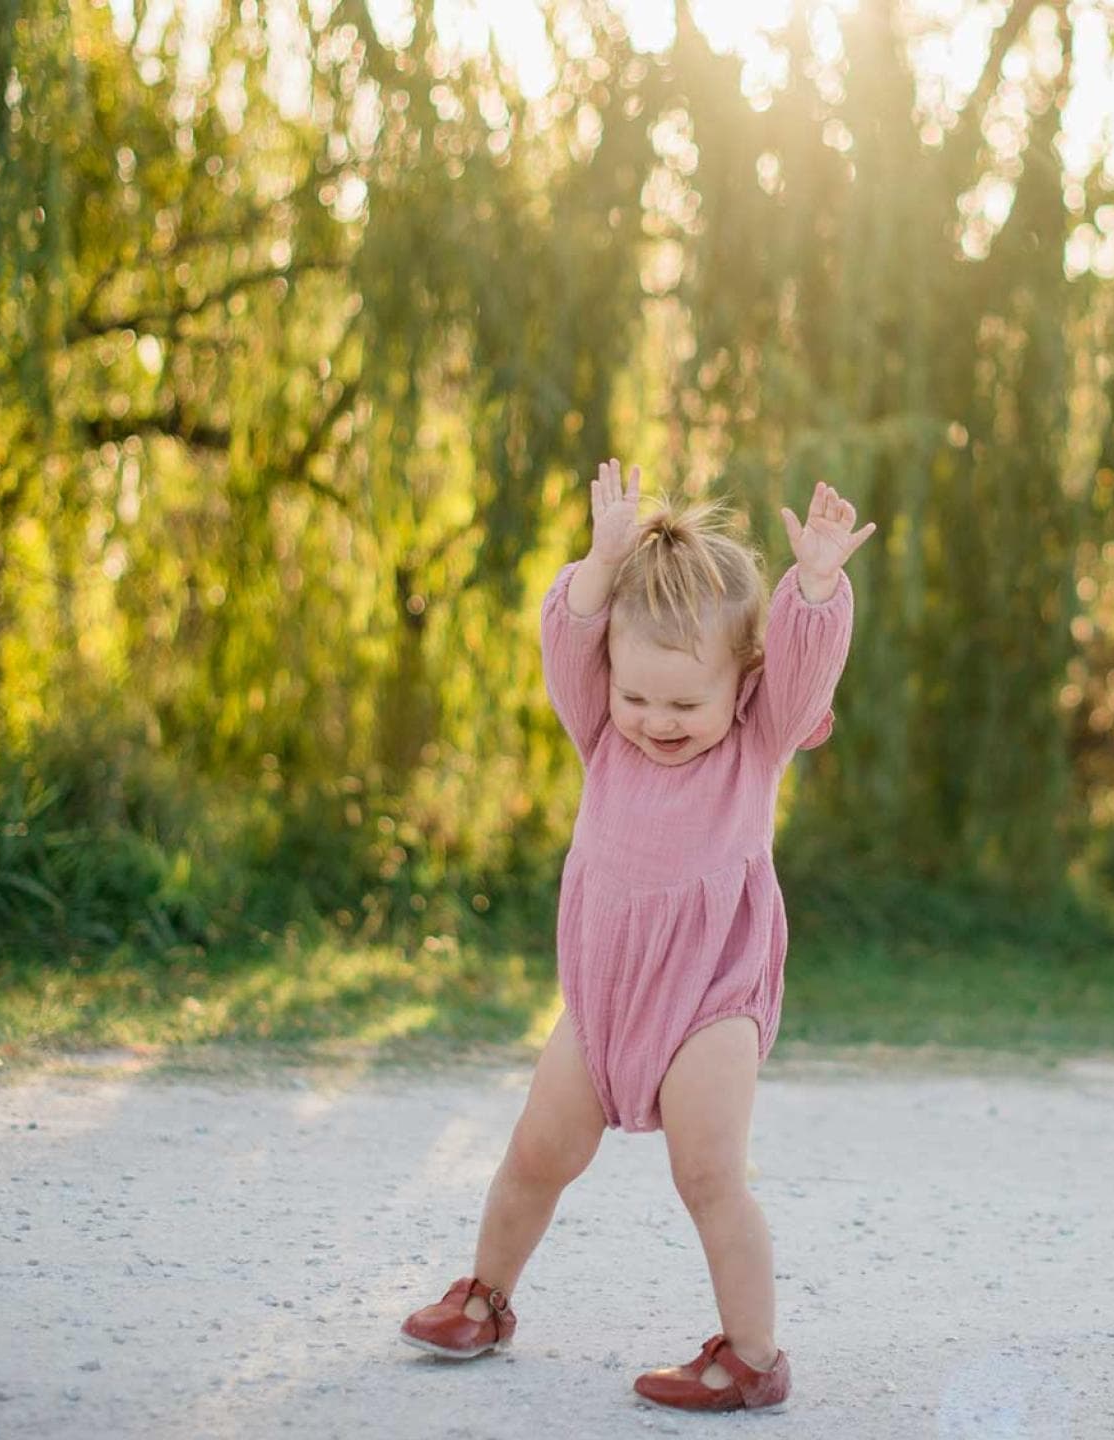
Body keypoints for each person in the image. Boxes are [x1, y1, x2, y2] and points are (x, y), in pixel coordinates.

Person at [400, 459, 874, 1412]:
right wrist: (599, 561)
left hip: (711, 998)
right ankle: (485, 1298)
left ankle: (750, 1357)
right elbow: (567, 638)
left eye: (684, 705)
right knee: (537, 1151)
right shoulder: (600, 730)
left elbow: (806, 663)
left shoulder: (756, 741)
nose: (657, 722)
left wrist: (815, 585)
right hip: (604, 999)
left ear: (743, 685)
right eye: (637, 697)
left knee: (707, 1173)